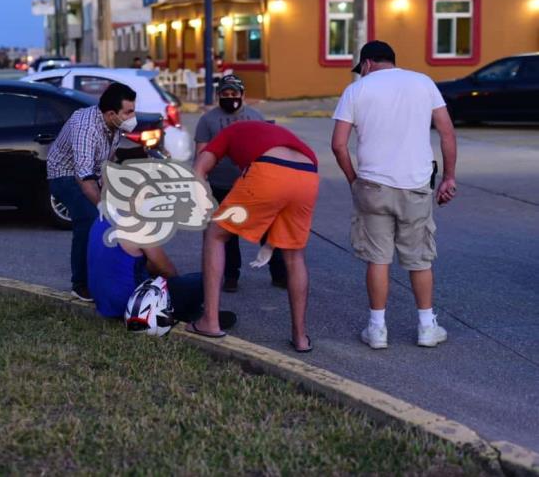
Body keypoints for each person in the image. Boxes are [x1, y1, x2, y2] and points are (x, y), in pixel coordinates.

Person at [330, 40, 457, 349]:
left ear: (368, 64)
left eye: (361, 70)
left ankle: (377, 330)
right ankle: (427, 327)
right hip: (415, 185)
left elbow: (338, 144)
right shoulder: (423, 82)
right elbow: (446, 132)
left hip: (372, 185)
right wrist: (449, 177)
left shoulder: (356, 91)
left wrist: (353, 180)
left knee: (378, 259)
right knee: (420, 259)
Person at [188, 121, 319, 352]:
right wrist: (270, 244)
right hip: (308, 173)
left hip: (269, 168)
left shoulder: (226, 133)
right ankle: (300, 338)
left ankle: (209, 321)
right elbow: (280, 199)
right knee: (294, 255)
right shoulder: (271, 132)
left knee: (215, 235)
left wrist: (204, 206)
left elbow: (200, 168)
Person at [194, 74, 287, 293]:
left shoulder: (256, 116)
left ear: (242, 95)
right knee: (227, 233)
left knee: (267, 228)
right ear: (219, 96)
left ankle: (280, 273)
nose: (230, 98)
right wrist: (201, 184)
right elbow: (201, 153)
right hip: (220, 185)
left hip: (252, 186)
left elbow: (267, 150)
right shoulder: (207, 120)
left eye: (234, 94)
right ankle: (231, 275)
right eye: (225, 94)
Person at [47, 82, 138, 302]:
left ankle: (108, 273)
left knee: (118, 215)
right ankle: (80, 284)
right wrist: (103, 207)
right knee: (89, 219)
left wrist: (111, 196)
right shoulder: (85, 127)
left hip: (90, 173)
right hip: (64, 174)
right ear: (111, 113)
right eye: (129, 112)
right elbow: (83, 177)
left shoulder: (114, 126)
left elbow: (108, 162)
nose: (133, 116)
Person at [87, 214, 236, 327]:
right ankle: (194, 314)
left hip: (105, 303)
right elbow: (166, 269)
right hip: (133, 307)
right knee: (206, 279)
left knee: (172, 282)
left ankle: (192, 313)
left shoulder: (101, 217)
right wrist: (177, 287)